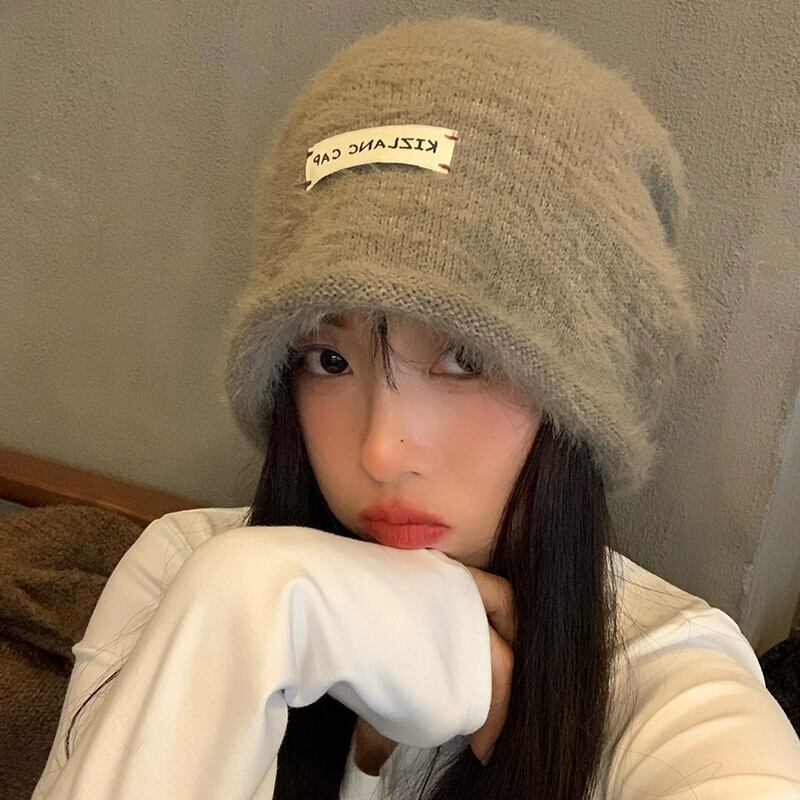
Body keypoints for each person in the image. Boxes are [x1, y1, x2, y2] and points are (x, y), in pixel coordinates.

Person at [32, 15, 800, 800]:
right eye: (329, 360)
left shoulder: (669, 692)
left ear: (581, 403)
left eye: (468, 358)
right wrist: (244, 615)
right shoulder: (189, 572)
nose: (381, 451)